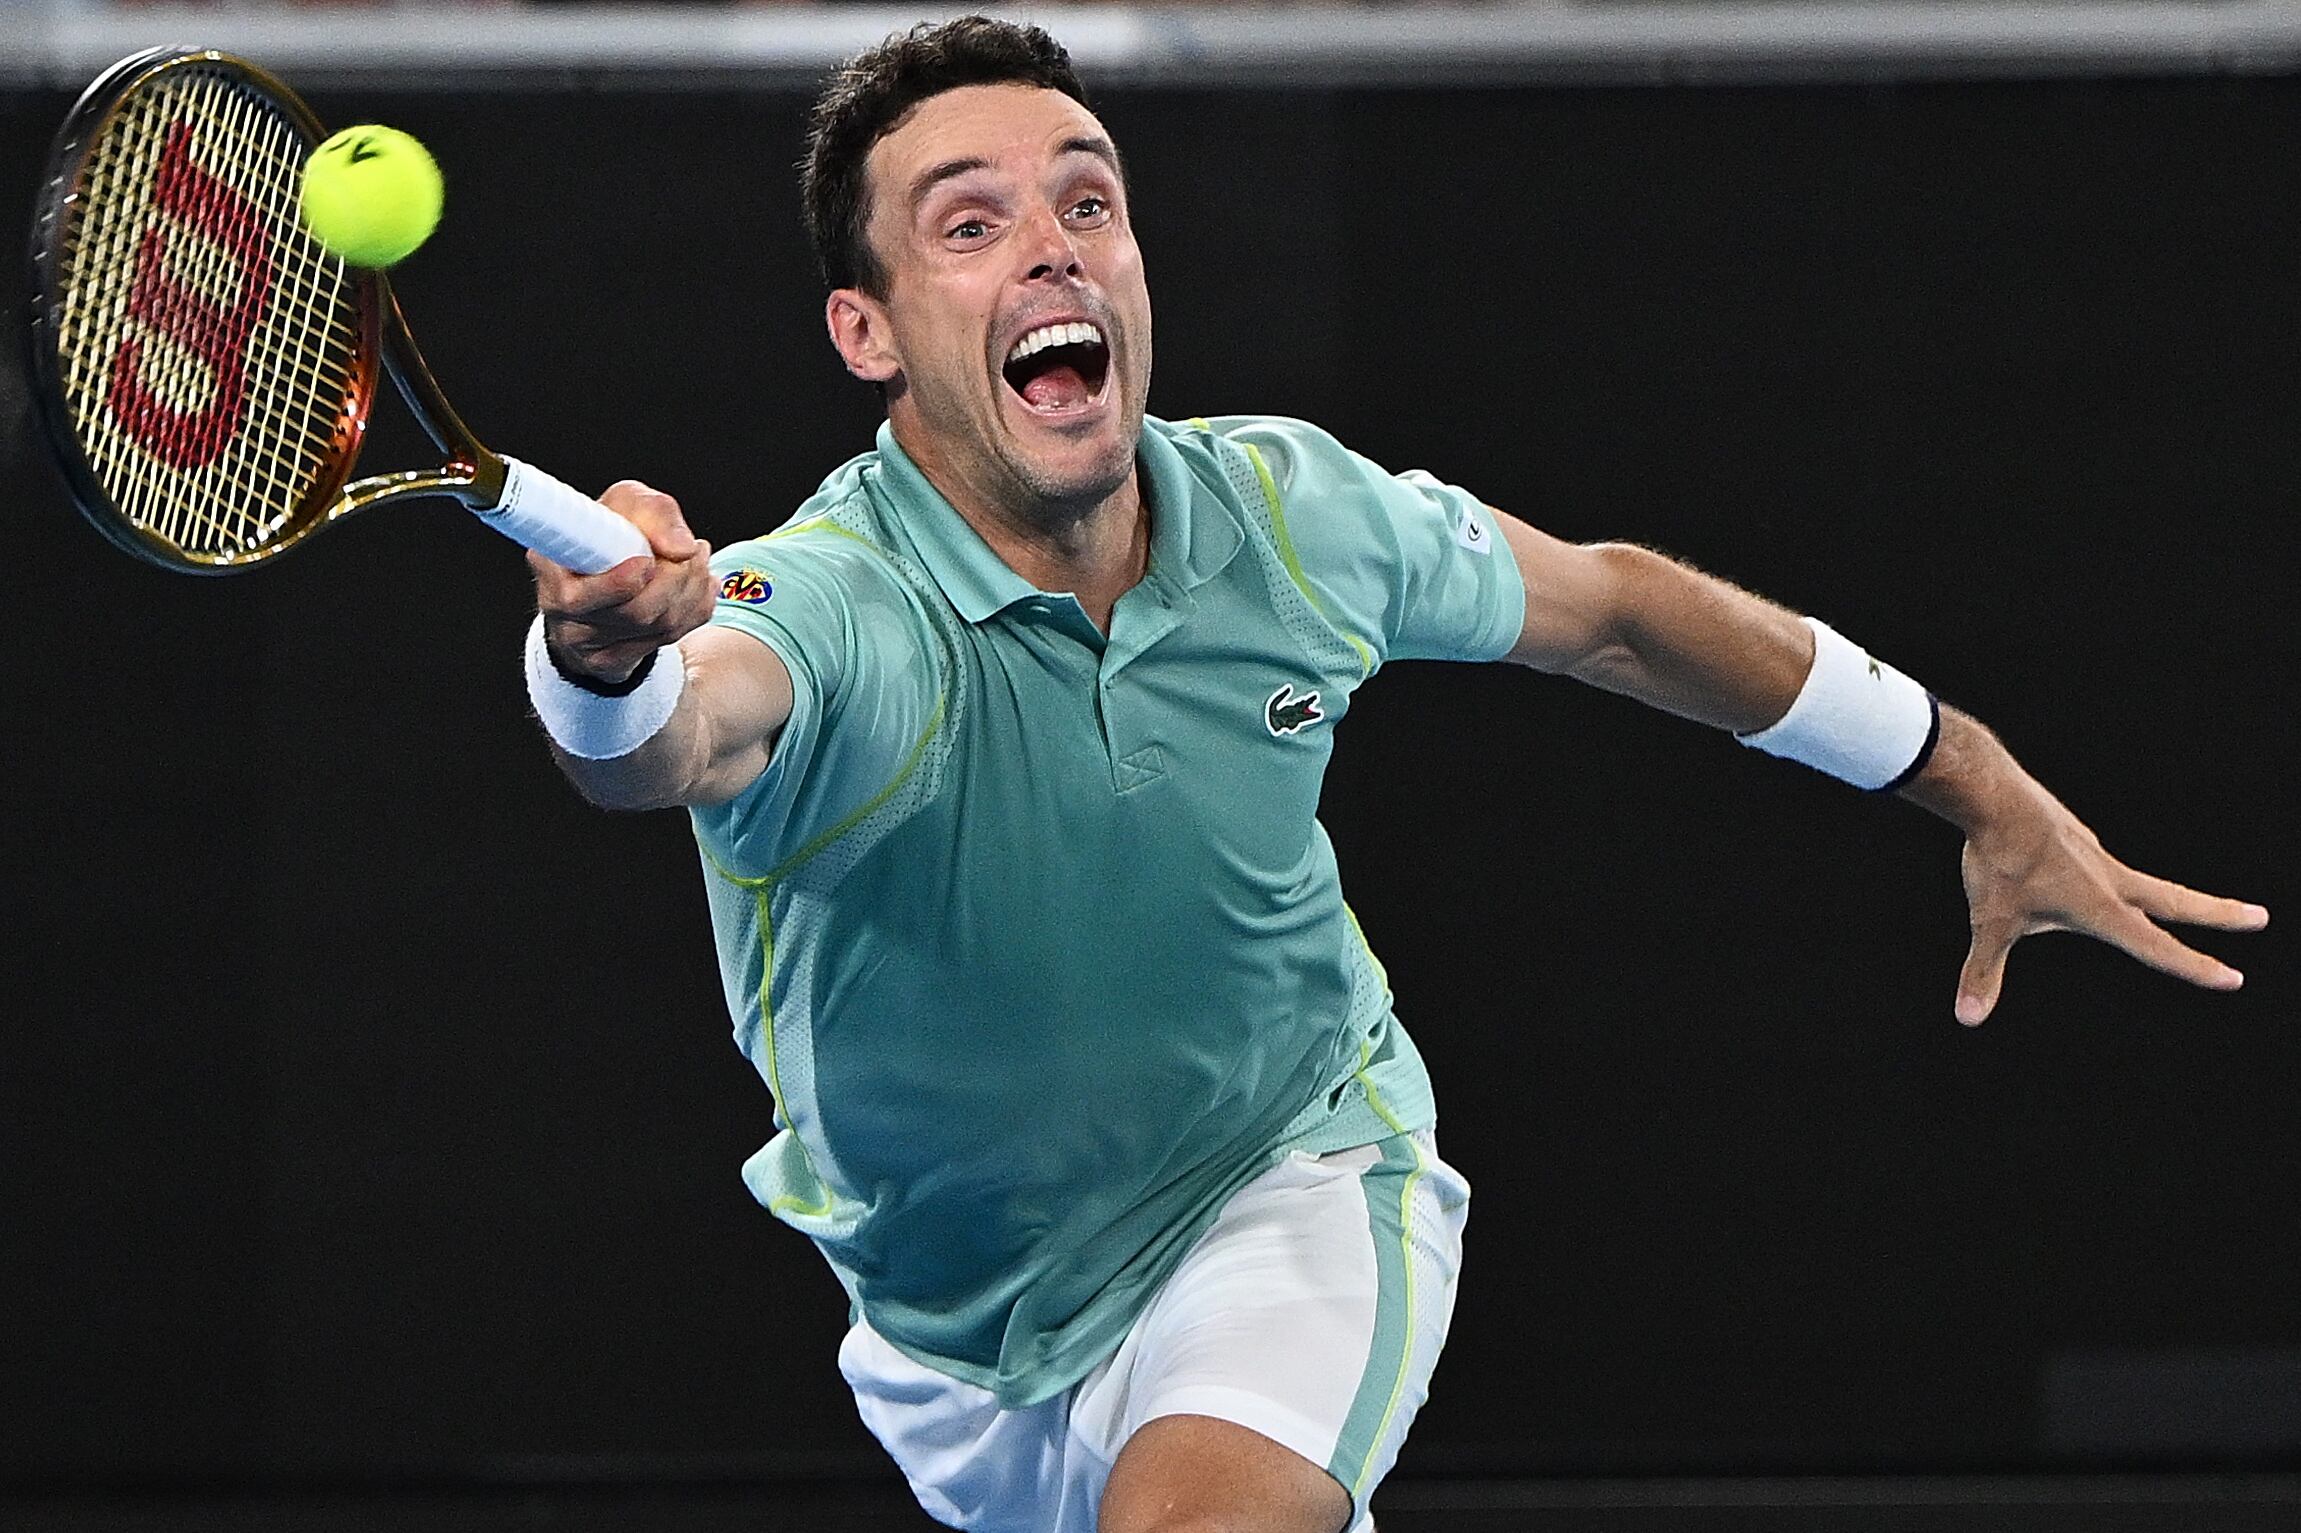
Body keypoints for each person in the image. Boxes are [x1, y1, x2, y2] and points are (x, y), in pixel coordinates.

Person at [519, 17, 2268, 1533]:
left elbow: (1614, 609)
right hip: (945, 1342)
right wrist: (600, 661)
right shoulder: (828, 596)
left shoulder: (1293, 514)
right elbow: (682, 732)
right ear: (869, 333)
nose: (1053, 250)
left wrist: (1969, 775)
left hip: (1281, 1184)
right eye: (967, 225)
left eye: (1087, 200)